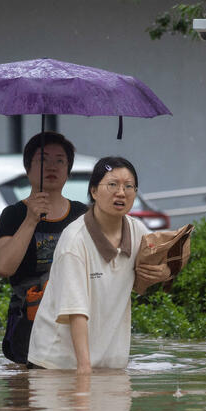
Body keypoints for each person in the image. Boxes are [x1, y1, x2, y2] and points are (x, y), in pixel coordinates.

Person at [27, 156, 170, 374]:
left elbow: (163, 261)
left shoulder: (138, 231)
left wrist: (163, 272)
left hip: (108, 362)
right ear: (94, 191)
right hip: (57, 364)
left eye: (128, 186)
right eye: (112, 184)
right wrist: (84, 371)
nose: (121, 192)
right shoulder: (74, 241)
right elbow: (76, 312)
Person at [0, 132, 88, 364]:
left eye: (60, 160)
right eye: (43, 159)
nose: (52, 166)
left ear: (68, 171)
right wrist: (30, 220)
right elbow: (4, 267)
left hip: (72, 319)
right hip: (28, 322)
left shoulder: (82, 215)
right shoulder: (14, 214)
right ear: (28, 168)